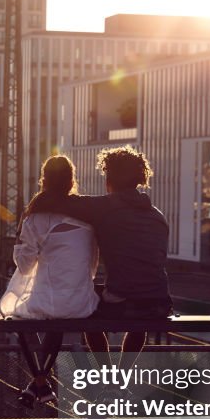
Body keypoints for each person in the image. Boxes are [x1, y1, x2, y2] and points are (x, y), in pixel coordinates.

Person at [30, 145, 172, 363]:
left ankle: (107, 376)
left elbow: (58, 200)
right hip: (159, 303)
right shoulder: (157, 215)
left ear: (109, 179)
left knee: (87, 305)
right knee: (139, 316)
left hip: (124, 304)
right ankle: (122, 377)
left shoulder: (104, 207)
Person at [0, 155, 99, 405]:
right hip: (82, 302)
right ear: (71, 181)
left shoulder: (36, 217)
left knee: (15, 316)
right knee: (57, 318)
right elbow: (93, 265)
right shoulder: (87, 215)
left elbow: (24, 266)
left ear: (44, 180)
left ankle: (39, 382)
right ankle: (40, 385)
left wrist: (20, 245)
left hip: (54, 303)